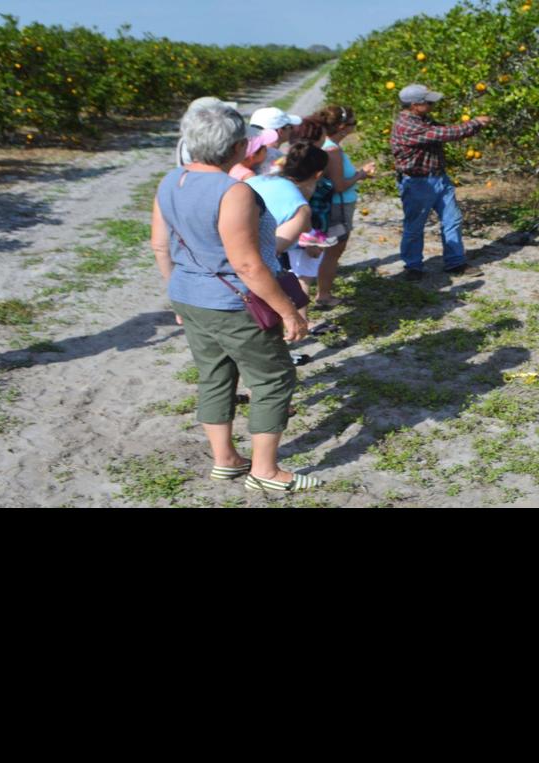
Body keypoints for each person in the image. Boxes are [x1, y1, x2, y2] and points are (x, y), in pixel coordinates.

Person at [148, 104, 322, 494]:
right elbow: (246, 264)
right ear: (240, 146)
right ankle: (266, 471)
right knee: (274, 377)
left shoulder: (169, 181)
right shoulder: (234, 192)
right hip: (234, 303)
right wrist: (288, 312)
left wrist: (177, 293)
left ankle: (225, 460)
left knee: (215, 375)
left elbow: (160, 244)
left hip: (189, 296)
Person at [389, 84, 491, 279]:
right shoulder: (407, 125)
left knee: (452, 220)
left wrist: (473, 127)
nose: (432, 105)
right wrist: (474, 123)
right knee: (415, 226)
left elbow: (445, 130)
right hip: (417, 183)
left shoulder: (423, 119)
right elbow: (444, 134)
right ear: (414, 105)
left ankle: (455, 262)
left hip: (439, 178)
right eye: (427, 102)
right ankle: (413, 266)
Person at [310, 105, 378, 306]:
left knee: (323, 249)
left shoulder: (324, 144)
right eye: (353, 124)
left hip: (330, 204)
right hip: (338, 206)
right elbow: (339, 186)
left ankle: (319, 291)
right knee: (333, 252)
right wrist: (361, 174)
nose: (354, 127)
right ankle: (324, 295)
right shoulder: (332, 150)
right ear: (342, 127)